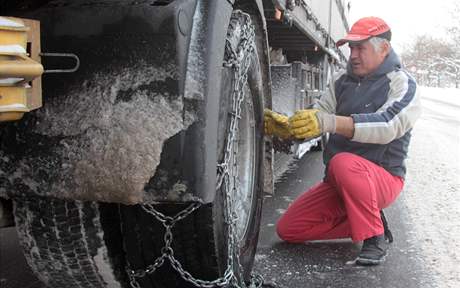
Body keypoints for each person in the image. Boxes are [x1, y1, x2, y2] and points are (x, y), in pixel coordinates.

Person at [264, 16, 422, 265]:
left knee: (342, 162)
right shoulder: (341, 80)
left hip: (383, 178)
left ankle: (373, 236)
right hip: (340, 181)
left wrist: (331, 122)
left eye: (361, 47)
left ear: (384, 49)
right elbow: (320, 112)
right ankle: (365, 218)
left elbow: (389, 124)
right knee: (289, 229)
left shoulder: (402, 83)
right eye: (351, 48)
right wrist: (290, 127)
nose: (354, 55)